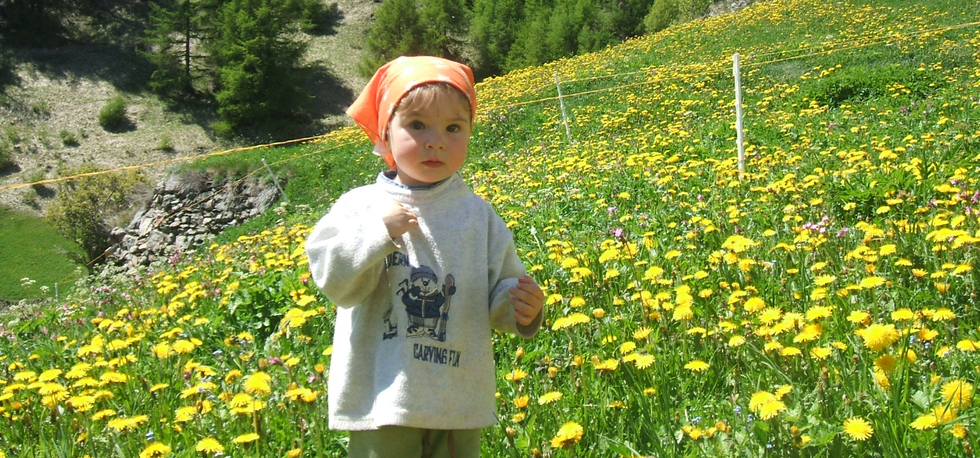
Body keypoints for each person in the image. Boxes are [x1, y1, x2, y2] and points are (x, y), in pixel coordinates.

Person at [305, 56, 545, 458]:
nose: (436, 140)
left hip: (457, 403)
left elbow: (503, 287)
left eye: (454, 127)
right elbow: (334, 280)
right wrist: (378, 232)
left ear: (470, 132)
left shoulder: (478, 215)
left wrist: (522, 307)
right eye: (417, 125)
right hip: (381, 400)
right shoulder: (360, 206)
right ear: (385, 131)